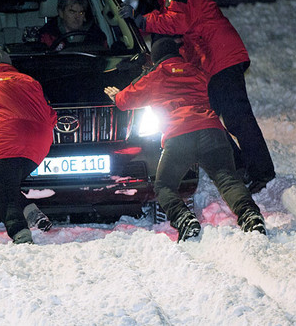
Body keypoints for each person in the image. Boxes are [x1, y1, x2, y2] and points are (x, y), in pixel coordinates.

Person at [119, 0, 275, 194]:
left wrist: (141, 20)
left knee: (236, 117)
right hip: (213, 61)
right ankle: (241, 168)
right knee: (209, 116)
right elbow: (183, 34)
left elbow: (178, 22)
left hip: (222, 56)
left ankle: (261, 172)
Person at [105, 37, 266, 241]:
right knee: (228, 179)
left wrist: (117, 96)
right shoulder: (196, 71)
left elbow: (125, 101)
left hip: (179, 136)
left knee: (164, 186)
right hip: (211, 131)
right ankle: (251, 216)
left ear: (155, 59)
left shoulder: (155, 75)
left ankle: (184, 219)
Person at [0, 46, 57, 244]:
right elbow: (50, 114)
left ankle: (20, 232)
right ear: (9, 66)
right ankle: (31, 212)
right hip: (41, 142)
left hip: (10, 139)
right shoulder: (30, 81)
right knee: (6, 185)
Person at [38, 0, 107, 50]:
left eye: (81, 12)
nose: (77, 17)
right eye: (72, 12)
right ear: (61, 13)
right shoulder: (48, 34)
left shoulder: (95, 34)